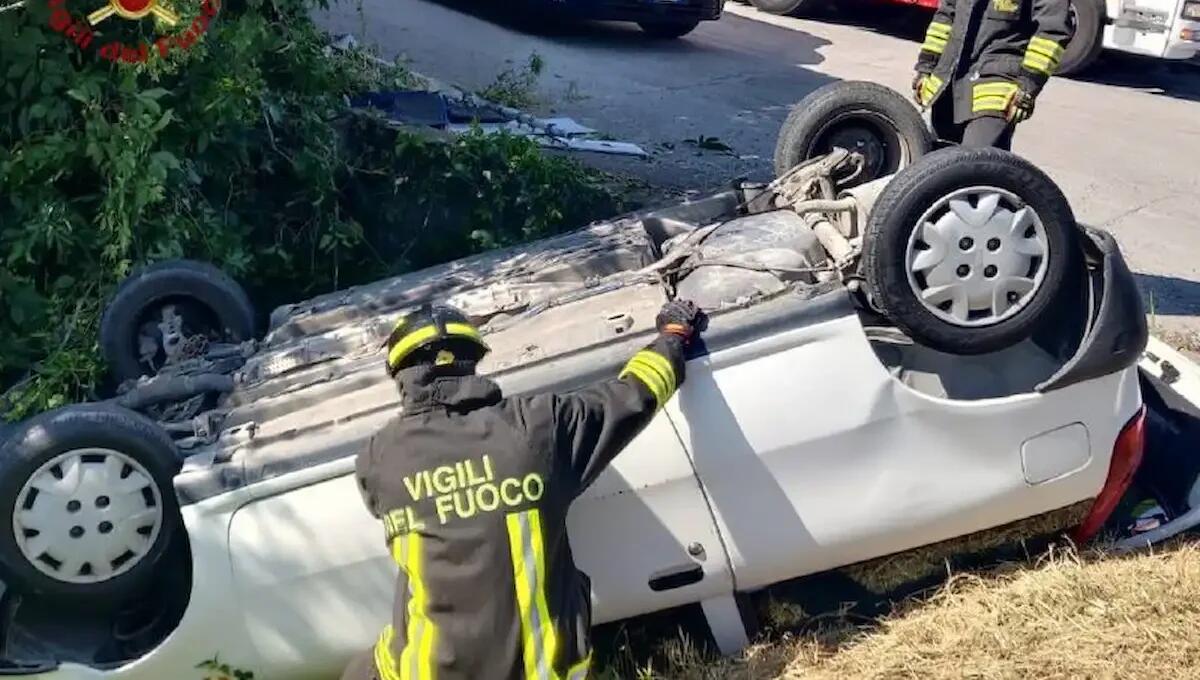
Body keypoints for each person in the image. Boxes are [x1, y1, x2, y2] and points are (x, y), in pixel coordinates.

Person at [341, 298, 703, 680]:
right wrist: (674, 335)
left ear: (400, 374)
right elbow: (636, 393)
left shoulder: (377, 459)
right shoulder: (540, 427)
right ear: (472, 361)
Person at [911, 0, 1072, 150]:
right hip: (948, 87)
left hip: (996, 92)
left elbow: (1052, 33)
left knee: (974, 165)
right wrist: (926, 67)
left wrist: (1027, 86)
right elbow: (945, 16)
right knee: (937, 168)